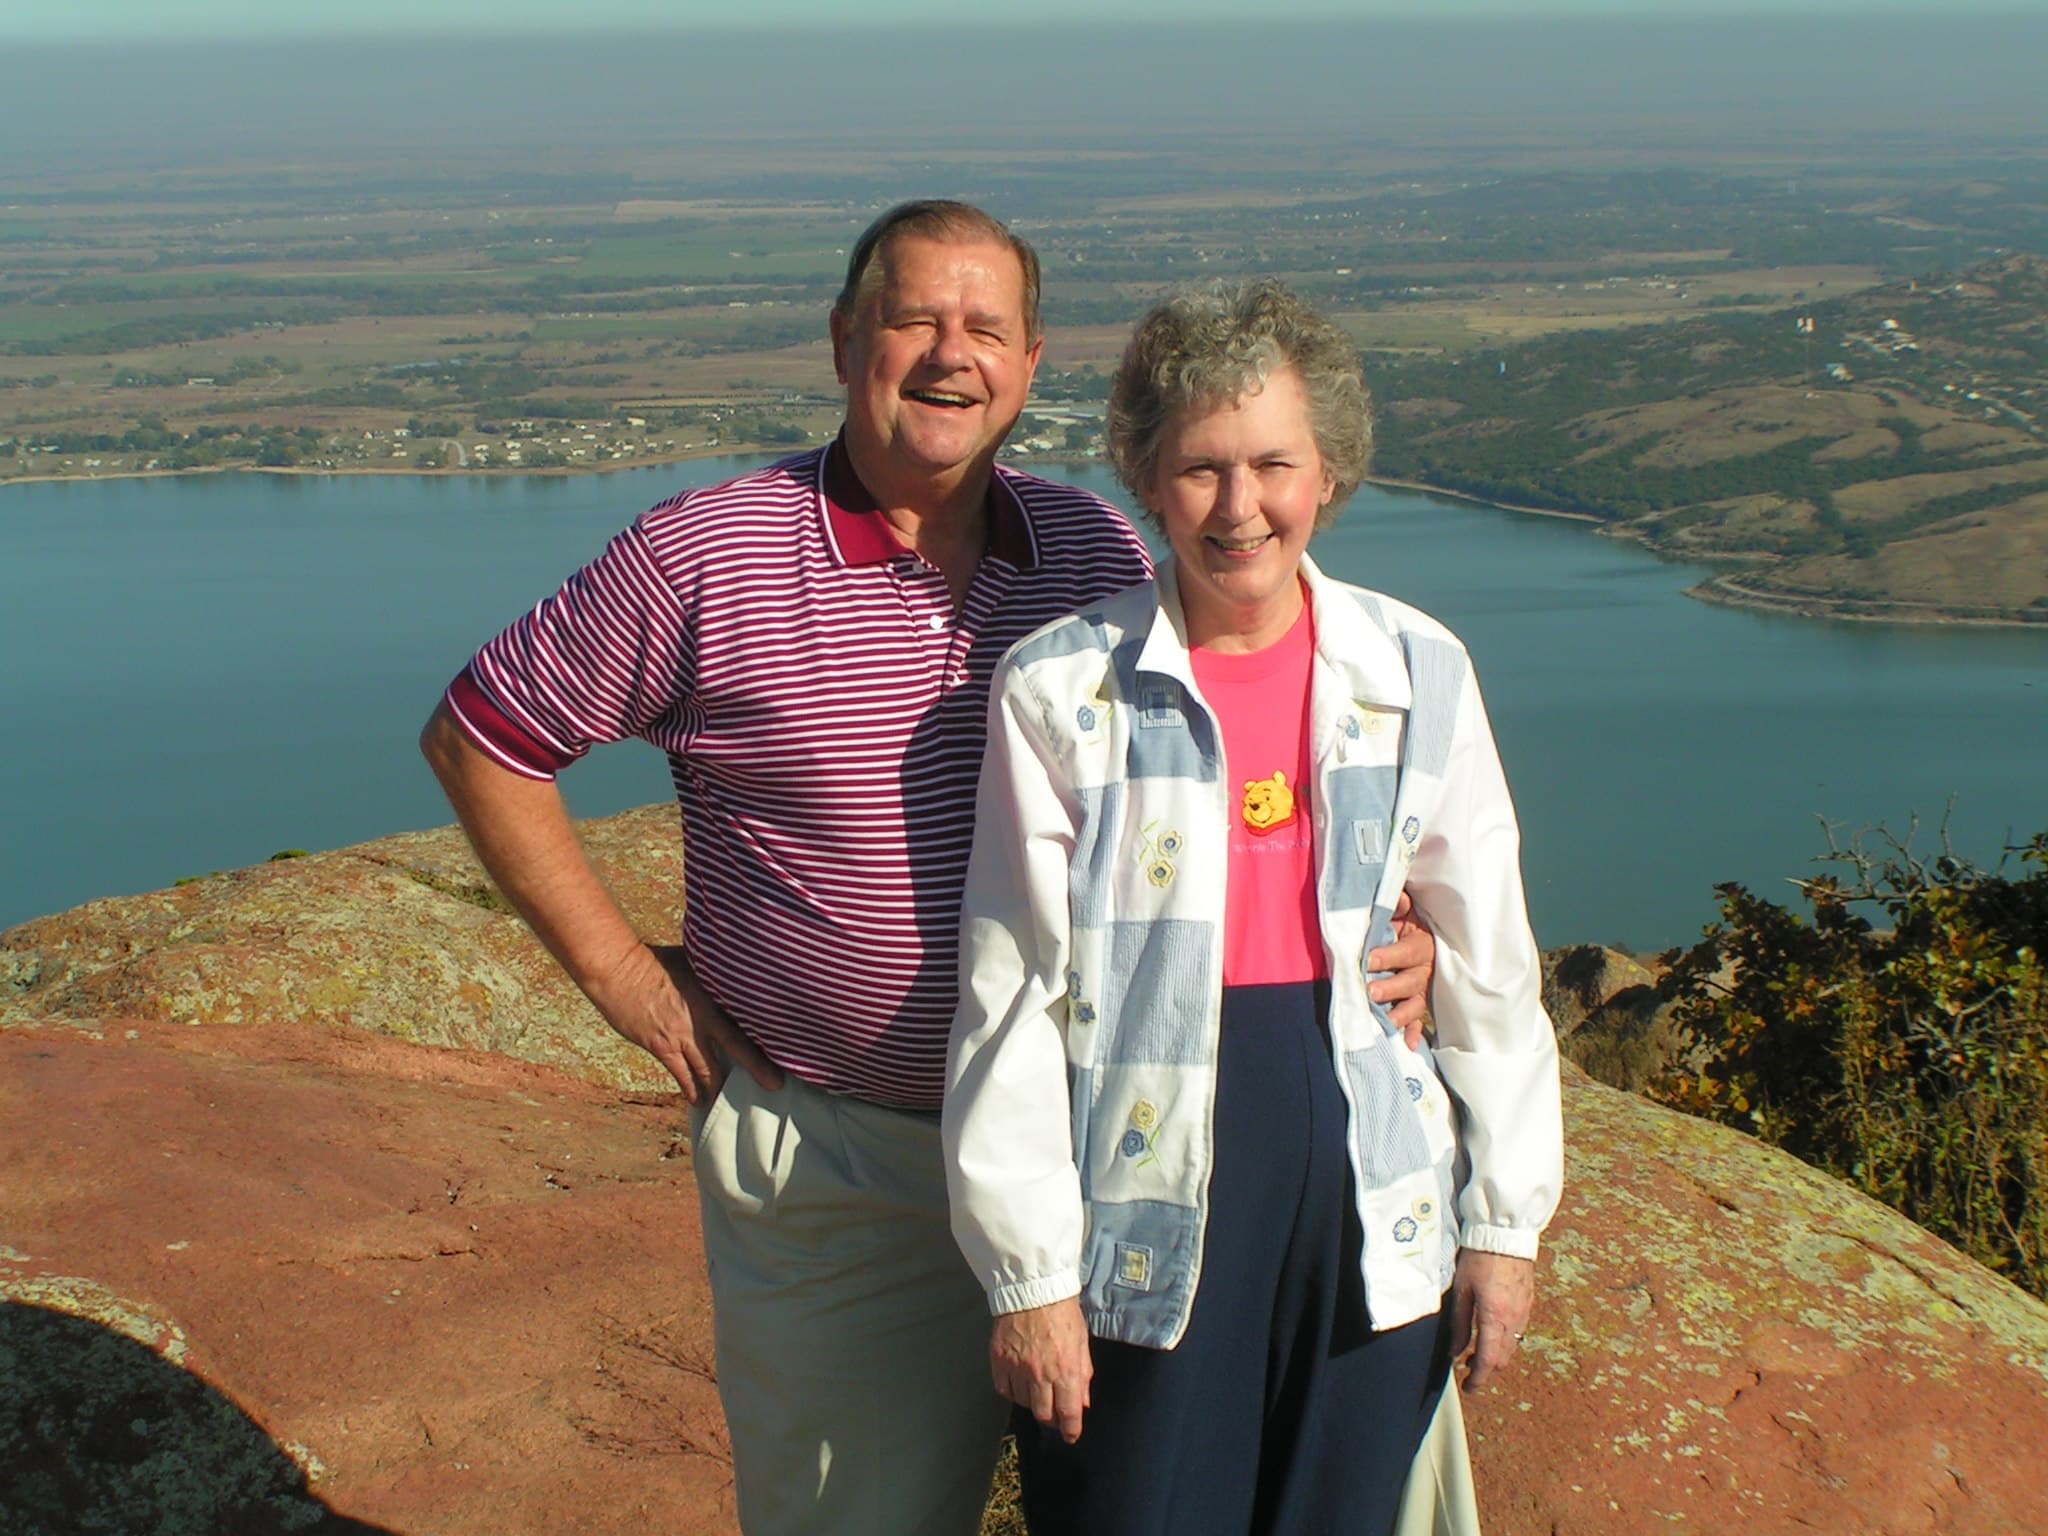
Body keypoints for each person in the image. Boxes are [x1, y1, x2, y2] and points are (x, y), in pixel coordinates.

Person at [419, 203, 1440, 1536]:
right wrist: (630, 980)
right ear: (848, 342)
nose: (950, 356)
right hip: (857, 1172)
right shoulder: (707, 558)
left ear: (1029, 363)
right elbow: (483, 738)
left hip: (1107, 1151)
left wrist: (1380, 929)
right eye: (913, 321)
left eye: (987, 329)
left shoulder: (1091, 550)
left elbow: (1250, 741)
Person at [944, 279, 1563, 1536]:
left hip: (1364, 1182)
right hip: (1139, 1186)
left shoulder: (1413, 667)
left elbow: (1489, 962)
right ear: (1144, 478)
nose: (1240, 508)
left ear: (1326, 471)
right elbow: (1011, 993)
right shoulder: (1061, 689)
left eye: (1273, 464)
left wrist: (1501, 1228)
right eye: (1200, 469)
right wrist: (1028, 1281)